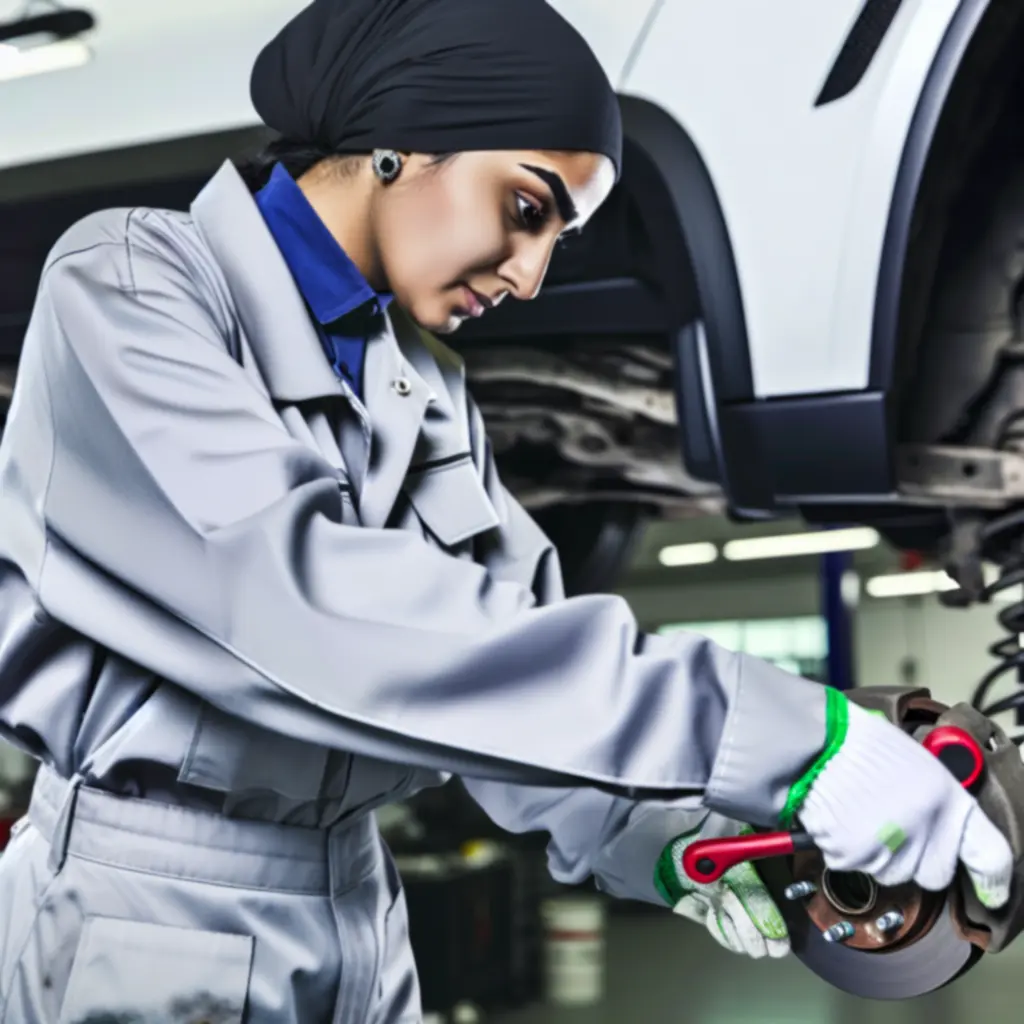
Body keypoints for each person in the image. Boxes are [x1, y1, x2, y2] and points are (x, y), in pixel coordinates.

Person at [0, 0, 1012, 1020]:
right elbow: (305, 610)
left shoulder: (427, 387)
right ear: (405, 140)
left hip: (356, 907)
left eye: (558, 240)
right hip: (145, 914)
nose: (530, 278)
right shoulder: (133, 278)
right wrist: (790, 737)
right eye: (527, 209)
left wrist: (673, 847)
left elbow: (497, 666)